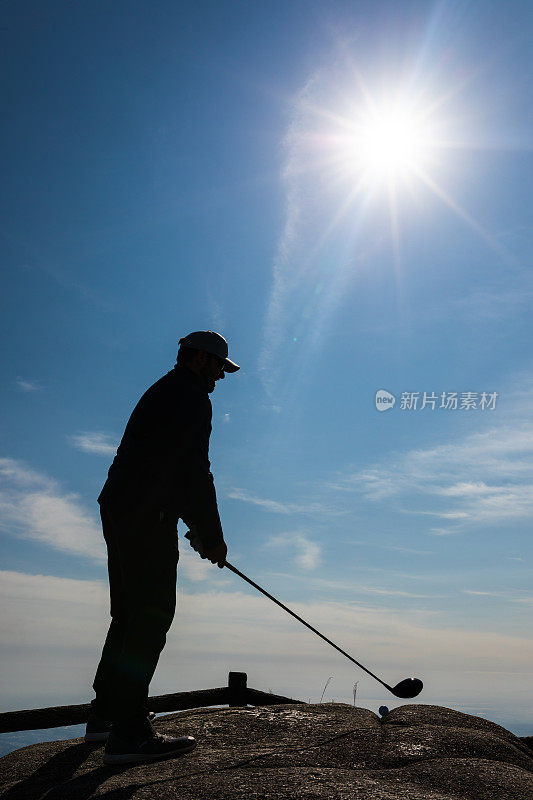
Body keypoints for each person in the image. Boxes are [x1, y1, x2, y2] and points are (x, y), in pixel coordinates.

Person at [86, 331, 239, 765]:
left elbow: (171, 467)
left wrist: (193, 525)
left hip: (121, 505)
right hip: (145, 512)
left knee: (129, 614)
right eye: (218, 367)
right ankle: (129, 733)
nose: (221, 377)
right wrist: (210, 534)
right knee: (150, 618)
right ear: (196, 360)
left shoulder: (165, 389)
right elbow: (193, 470)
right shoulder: (190, 397)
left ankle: (105, 716)